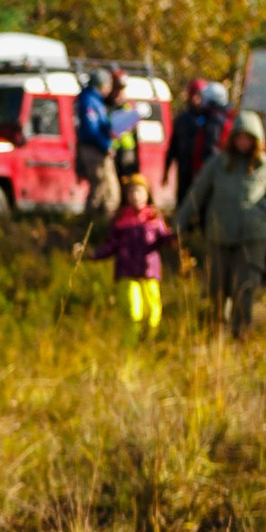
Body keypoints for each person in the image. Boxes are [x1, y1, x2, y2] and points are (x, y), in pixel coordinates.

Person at [172, 109, 266, 337]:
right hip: (219, 234)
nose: (243, 142)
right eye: (239, 137)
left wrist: (265, 209)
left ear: (256, 139)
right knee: (218, 286)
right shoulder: (218, 163)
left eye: (248, 138)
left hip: (253, 236)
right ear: (232, 137)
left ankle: (241, 331)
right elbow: (197, 194)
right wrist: (179, 223)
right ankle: (217, 330)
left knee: (244, 286)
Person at [88, 176, 178, 340]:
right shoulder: (121, 220)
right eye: (132, 192)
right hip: (126, 273)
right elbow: (111, 245)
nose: (136, 196)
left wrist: (174, 238)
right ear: (127, 196)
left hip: (149, 272)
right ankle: (130, 348)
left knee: (152, 311)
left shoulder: (154, 219)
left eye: (140, 192)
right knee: (133, 311)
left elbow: (164, 239)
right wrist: (95, 255)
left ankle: (149, 342)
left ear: (147, 194)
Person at [168, 80, 232, 202]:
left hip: (207, 173)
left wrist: (204, 173)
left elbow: (210, 148)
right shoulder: (214, 118)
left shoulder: (215, 121)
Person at [75, 69, 122, 215]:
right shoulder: (89, 100)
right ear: (102, 85)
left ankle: (100, 225)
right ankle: (92, 226)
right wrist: (105, 145)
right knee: (103, 188)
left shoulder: (94, 100)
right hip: (95, 150)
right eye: (108, 85)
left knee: (106, 189)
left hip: (97, 148)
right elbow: (91, 129)